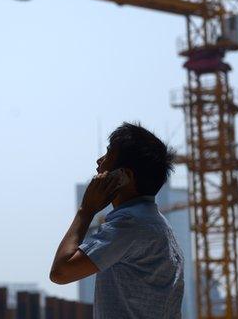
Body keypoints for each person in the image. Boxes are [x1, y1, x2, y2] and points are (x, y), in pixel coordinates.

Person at [48, 122, 183, 319]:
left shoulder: (130, 224)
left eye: (108, 156)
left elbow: (61, 272)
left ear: (124, 176)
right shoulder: (158, 225)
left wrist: (86, 211)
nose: (98, 162)